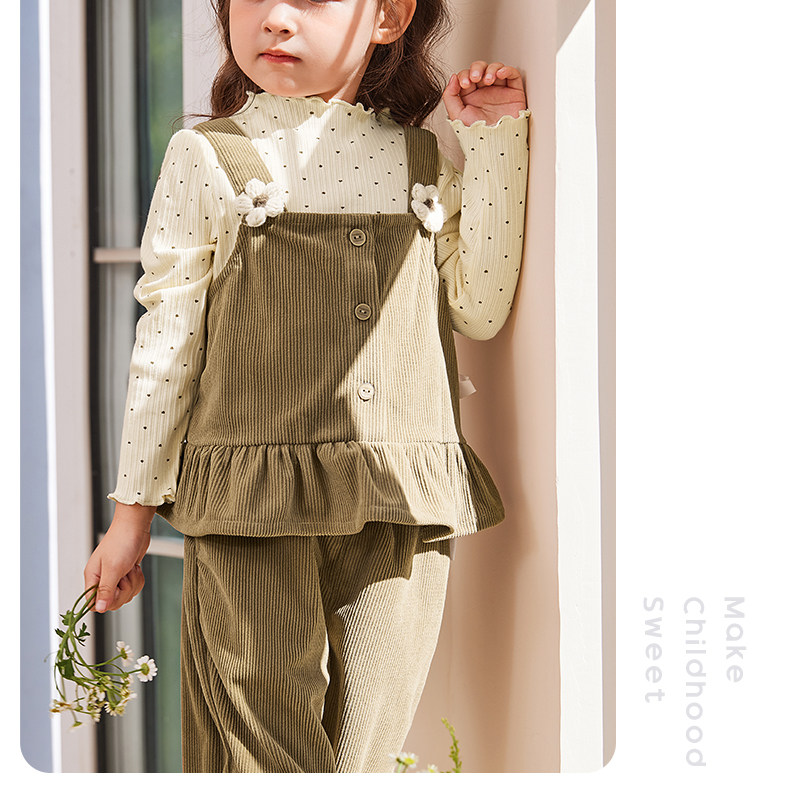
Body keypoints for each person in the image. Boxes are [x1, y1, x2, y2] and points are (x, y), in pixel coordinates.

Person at [84, 0, 531, 773]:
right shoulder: (208, 157)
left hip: (399, 495)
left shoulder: (421, 162)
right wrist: (132, 514)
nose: (276, 19)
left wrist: (493, 142)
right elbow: (166, 344)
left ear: (387, 17)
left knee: (361, 761)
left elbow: (480, 307)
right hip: (249, 502)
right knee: (259, 756)